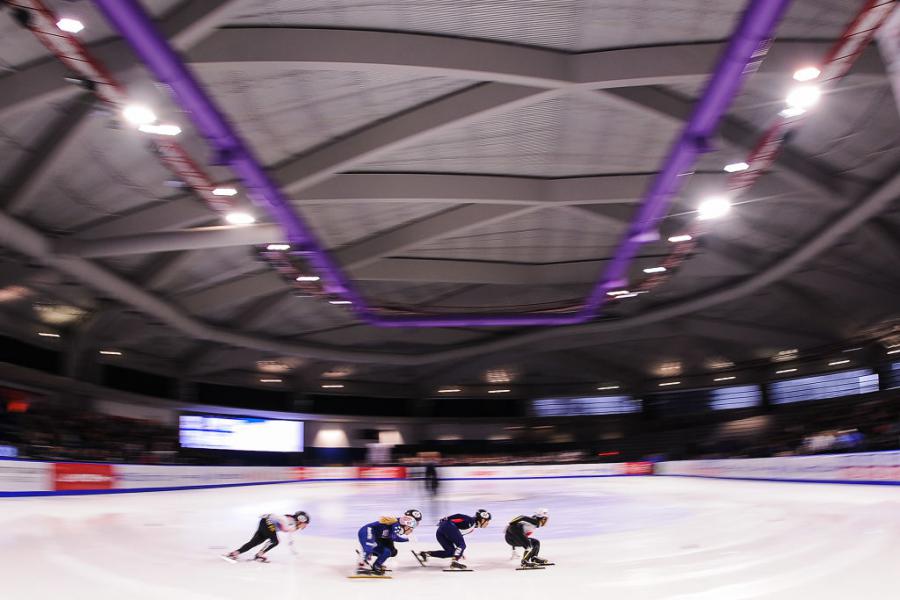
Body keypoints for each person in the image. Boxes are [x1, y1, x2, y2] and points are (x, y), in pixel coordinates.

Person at [413, 509, 491, 570]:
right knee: (462, 545)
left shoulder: (472, 527)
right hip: (447, 526)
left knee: (451, 552)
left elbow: (457, 537)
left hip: (441, 532)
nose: (488, 524)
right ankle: (455, 562)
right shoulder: (470, 521)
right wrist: (446, 519)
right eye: (487, 521)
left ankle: (425, 554)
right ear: (482, 519)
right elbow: (459, 515)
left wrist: (459, 551)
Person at [224, 511, 309, 562]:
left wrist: (292, 548)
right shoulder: (290, 522)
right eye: (305, 524)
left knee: (254, 542)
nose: (305, 527)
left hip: (265, 522)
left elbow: (290, 537)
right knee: (275, 541)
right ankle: (259, 555)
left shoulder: (293, 523)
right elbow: (283, 523)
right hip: (267, 522)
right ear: (300, 520)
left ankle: (234, 553)